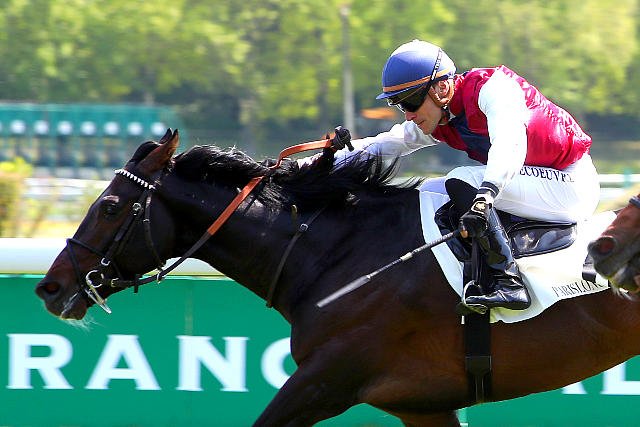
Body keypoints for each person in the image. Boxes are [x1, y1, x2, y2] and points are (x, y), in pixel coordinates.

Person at [303, 39, 600, 312]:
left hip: (570, 184)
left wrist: (486, 195)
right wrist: (311, 164)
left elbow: (510, 146)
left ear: (441, 89)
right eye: (399, 105)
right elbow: (386, 144)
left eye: (410, 102)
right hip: (537, 183)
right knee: (429, 192)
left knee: (462, 179)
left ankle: (509, 283)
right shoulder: (442, 117)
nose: (408, 114)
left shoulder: (494, 91)